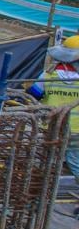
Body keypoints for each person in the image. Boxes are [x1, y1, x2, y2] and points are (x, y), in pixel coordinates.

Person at [27, 35, 79, 214]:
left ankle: (33, 201)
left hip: (49, 129)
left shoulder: (48, 75)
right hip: (76, 131)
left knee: (43, 163)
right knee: (77, 166)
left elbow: (33, 95)